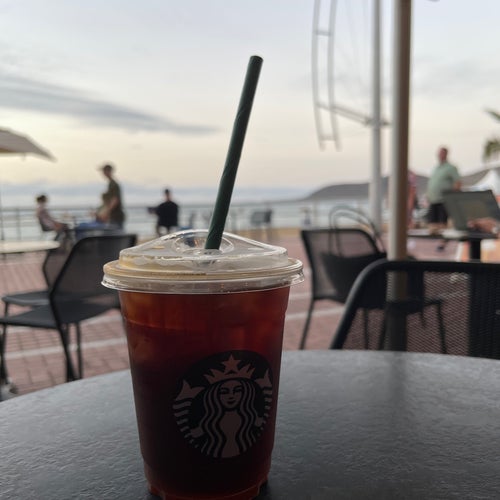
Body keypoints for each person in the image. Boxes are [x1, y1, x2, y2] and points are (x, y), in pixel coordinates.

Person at [426, 147, 461, 250]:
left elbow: (457, 182)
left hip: (444, 200)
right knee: (432, 223)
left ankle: (442, 243)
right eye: (439, 153)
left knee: (442, 223)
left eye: (442, 153)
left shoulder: (451, 168)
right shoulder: (436, 168)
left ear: (446, 154)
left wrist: (453, 197)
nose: (440, 155)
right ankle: (436, 242)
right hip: (434, 200)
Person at [98, 163, 125, 228]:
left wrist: (106, 212)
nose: (103, 173)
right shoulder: (111, 183)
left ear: (108, 171)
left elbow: (115, 200)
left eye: (104, 171)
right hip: (113, 216)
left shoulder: (113, 184)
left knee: (115, 232)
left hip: (116, 216)